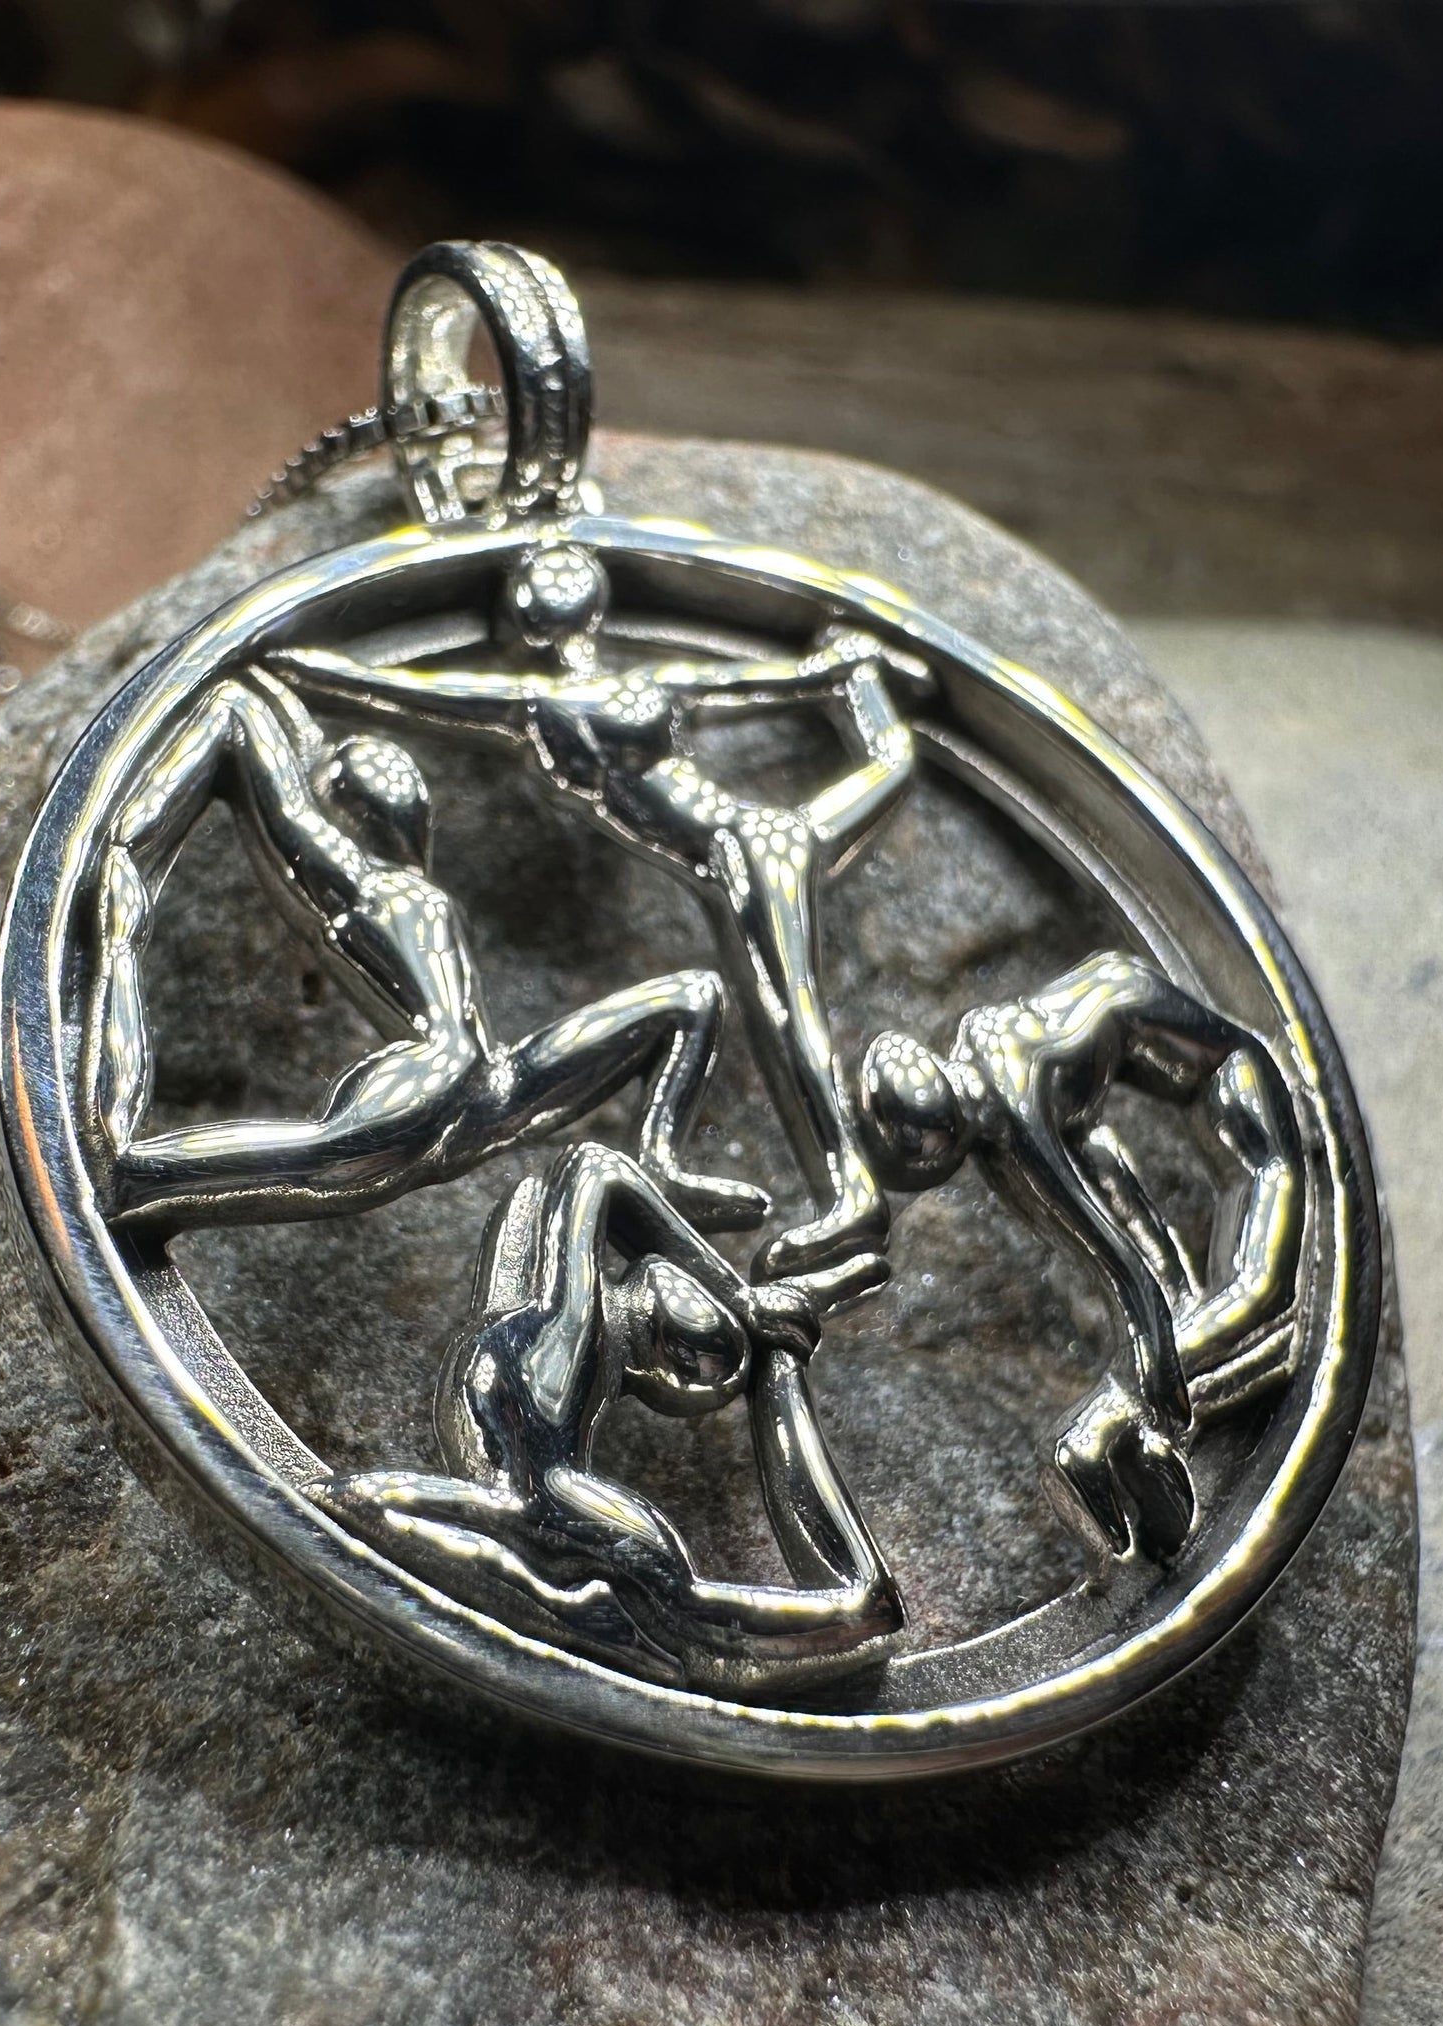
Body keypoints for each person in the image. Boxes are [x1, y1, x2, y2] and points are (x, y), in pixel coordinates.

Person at [267, 540, 922, 1284]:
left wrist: (296, 665)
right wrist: (848, 668)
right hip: (754, 839)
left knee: (789, 1014)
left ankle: (854, 1195)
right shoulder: (620, 689)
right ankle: (846, 1191)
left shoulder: (548, 701)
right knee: (795, 999)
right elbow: (402, 690)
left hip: (745, 846)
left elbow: (402, 689)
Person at [82, 665, 767, 1237]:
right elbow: (246, 739)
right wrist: (132, 841)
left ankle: (662, 1163)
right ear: (346, 810)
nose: (399, 778)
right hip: (433, 1075)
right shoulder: (358, 878)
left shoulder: (416, 888)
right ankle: (140, 1174)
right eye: (371, 772)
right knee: (328, 1157)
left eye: (399, 773)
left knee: (693, 998)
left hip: (494, 1084)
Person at [312, 1140, 902, 1691]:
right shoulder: (555, 1312)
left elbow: (595, 1170)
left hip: (544, 1507)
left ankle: (557, 1608)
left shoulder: (555, 1313)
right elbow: (593, 1167)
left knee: (854, 1611)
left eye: (719, 1327)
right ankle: (557, 1607)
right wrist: (761, 1329)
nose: (698, 1290)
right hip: (530, 1508)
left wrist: (776, 1361)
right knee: (369, 1504)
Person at [857, 951, 1304, 1565]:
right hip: (1150, 1035)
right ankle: (1128, 1431)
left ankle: (1102, 1429)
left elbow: (1119, 1264)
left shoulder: (1013, 1116)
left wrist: (1154, 1382)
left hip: (1238, 1086)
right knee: (1174, 1305)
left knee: (1266, 1294)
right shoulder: (985, 1046)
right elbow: (1108, 1185)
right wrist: (1160, 1363)